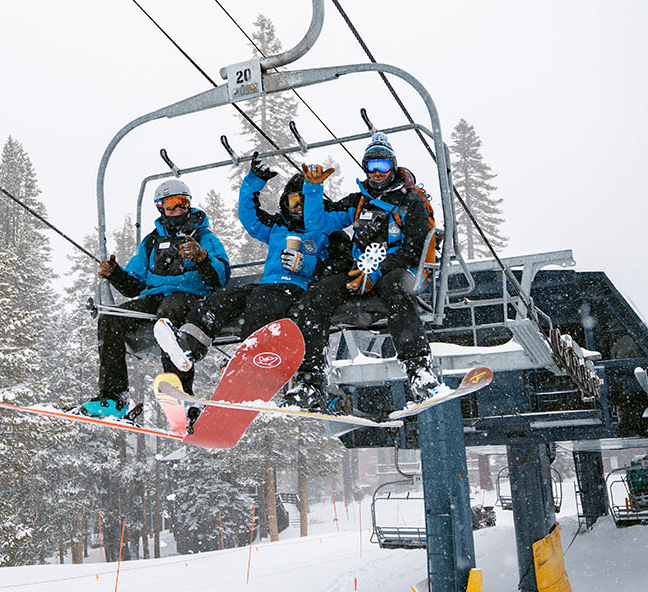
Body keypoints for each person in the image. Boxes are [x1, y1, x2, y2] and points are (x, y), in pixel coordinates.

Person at [284, 132, 441, 411]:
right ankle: (310, 379)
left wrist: (378, 271)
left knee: (398, 289)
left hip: (394, 268)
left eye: (382, 166)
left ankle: (419, 370)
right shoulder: (359, 201)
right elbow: (317, 224)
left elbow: (415, 248)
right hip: (359, 271)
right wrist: (312, 189)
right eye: (371, 167)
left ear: (393, 167)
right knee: (316, 296)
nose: (377, 173)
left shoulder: (410, 201)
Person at [155, 159, 346, 381]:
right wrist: (253, 182)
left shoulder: (327, 232)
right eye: (294, 201)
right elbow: (251, 218)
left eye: (305, 201)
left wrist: (307, 265)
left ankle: (253, 358)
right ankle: (190, 345)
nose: (299, 207)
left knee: (264, 302)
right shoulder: (278, 226)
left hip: (299, 287)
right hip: (268, 283)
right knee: (221, 299)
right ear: (285, 203)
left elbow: (343, 266)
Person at [79, 178, 229, 419]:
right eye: (171, 204)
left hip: (191, 297)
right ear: (161, 207)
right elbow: (134, 284)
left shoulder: (203, 237)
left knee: (169, 314)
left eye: (183, 202)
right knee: (111, 318)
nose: (178, 209)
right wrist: (115, 274)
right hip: (154, 297)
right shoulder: (151, 242)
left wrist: (202, 258)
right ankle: (114, 398)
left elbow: (221, 276)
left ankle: (179, 391)